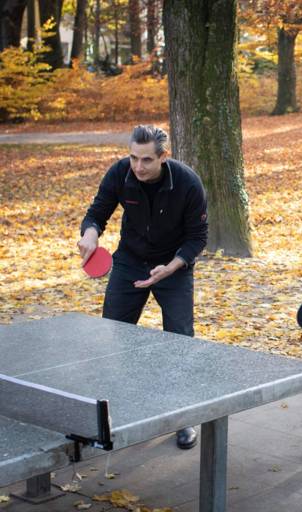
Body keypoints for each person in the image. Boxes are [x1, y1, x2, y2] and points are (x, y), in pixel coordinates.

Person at [77, 125, 208, 450]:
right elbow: (97, 212)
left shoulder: (187, 182)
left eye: (146, 160)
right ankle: (112, 417)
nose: (138, 166)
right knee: (114, 336)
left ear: (164, 157)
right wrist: (90, 233)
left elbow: (197, 238)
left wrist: (173, 267)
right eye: (133, 158)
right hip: (130, 261)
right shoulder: (121, 173)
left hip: (173, 266)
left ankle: (182, 417)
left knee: (179, 342)